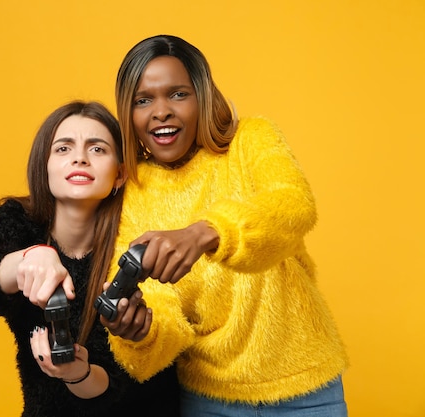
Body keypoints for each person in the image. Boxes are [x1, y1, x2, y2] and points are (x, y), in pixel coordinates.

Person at [100, 35, 349, 417]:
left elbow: (293, 205)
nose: (161, 111)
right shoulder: (134, 192)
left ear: (201, 96)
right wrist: (142, 331)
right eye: (143, 100)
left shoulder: (251, 140)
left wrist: (206, 233)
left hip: (308, 389)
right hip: (209, 400)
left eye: (178, 94)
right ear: (128, 112)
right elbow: (166, 312)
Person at [0, 101, 180, 417]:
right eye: (63, 149)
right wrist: (30, 258)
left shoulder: (138, 238)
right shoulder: (16, 221)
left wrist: (77, 373)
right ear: (44, 166)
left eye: (98, 149)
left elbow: (116, 380)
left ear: (120, 175)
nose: (79, 158)